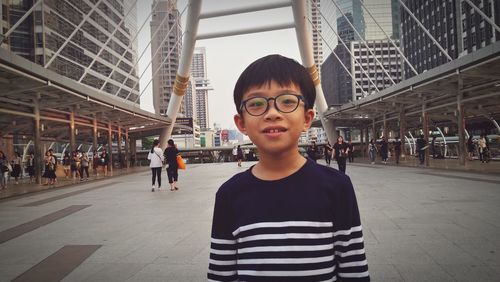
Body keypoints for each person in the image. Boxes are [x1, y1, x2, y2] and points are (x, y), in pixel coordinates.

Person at [208, 55, 369, 281]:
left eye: (287, 101)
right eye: (256, 104)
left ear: (307, 118)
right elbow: (221, 274)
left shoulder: (337, 187)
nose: (272, 113)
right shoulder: (229, 194)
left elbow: (354, 270)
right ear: (241, 123)